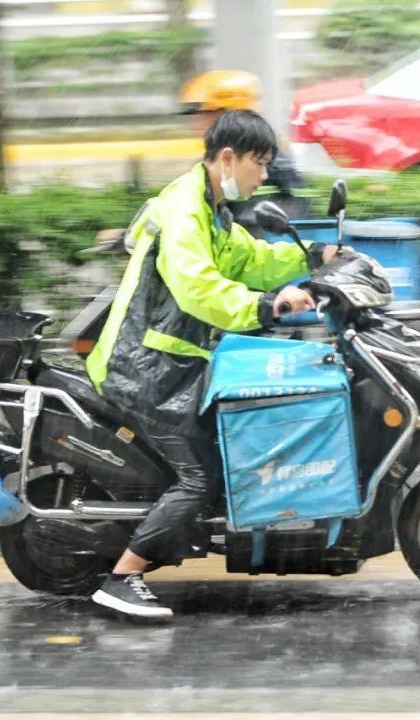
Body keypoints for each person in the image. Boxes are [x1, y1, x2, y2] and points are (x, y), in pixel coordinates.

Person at [86, 110, 338, 619]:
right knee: (200, 477)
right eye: (259, 164)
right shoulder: (186, 210)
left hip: (174, 360)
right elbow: (197, 285)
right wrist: (265, 307)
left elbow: (249, 259)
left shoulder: (213, 206)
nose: (264, 176)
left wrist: (312, 256)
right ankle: (122, 577)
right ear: (228, 158)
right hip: (147, 366)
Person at [178, 70, 311, 234]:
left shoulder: (266, 162)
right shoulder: (190, 200)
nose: (196, 125)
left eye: (205, 115)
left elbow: (252, 248)